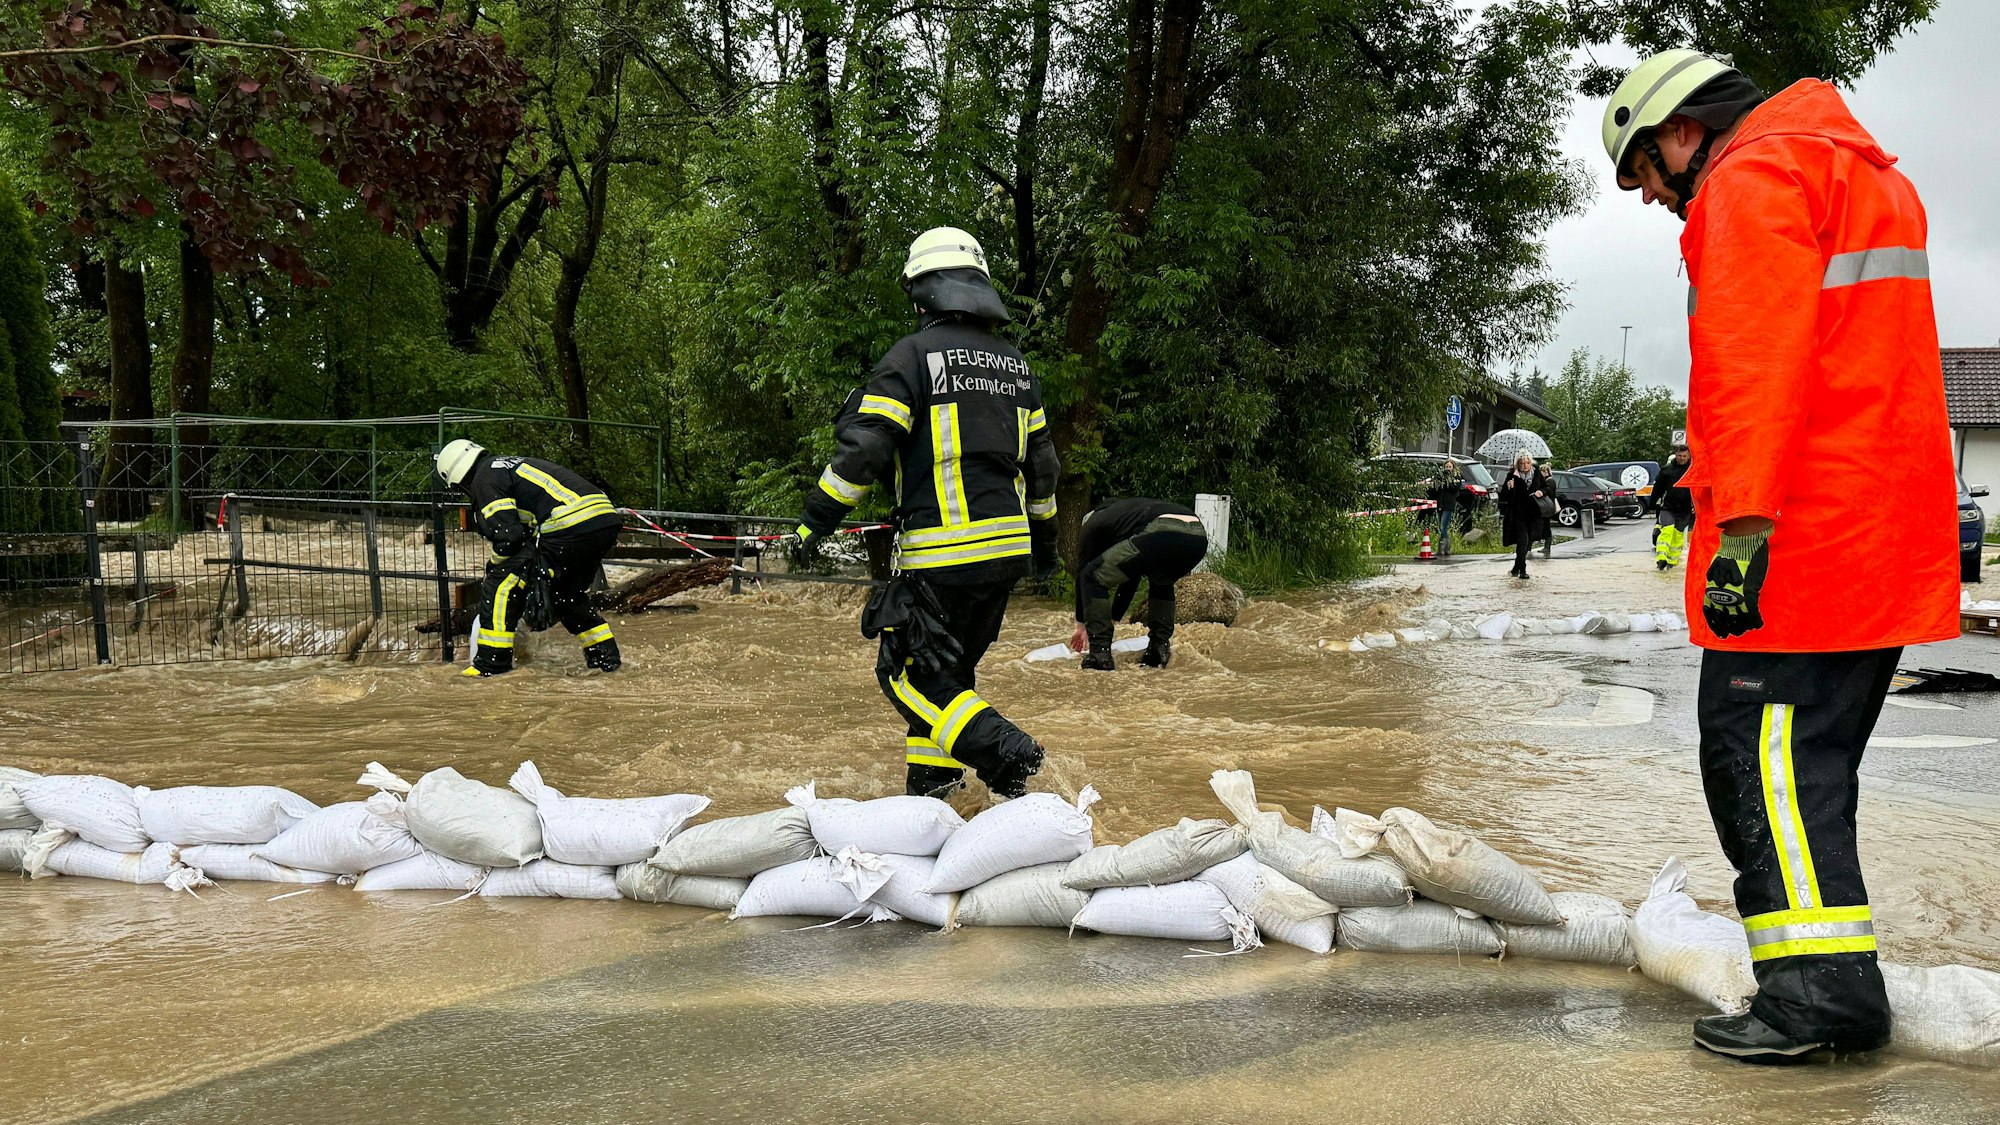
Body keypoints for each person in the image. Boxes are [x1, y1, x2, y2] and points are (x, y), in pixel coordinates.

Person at [1603, 50, 1959, 1062]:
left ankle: (1817, 1002)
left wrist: (1739, 535)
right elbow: (1835, 361)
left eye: (1646, 177)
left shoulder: (1753, 178)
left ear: (1677, 133)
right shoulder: (1860, 175)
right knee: (1806, 777)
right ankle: (1828, 986)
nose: (1654, 201)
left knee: (1758, 769)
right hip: (1875, 536)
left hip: (1800, 548)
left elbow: (1752, 363)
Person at [787, 226, 1059, 800]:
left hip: (944, 555)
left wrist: (814, 521)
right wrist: (1047, 546)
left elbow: (866, 449)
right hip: (1007, 553)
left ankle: (1003, 749)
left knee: (905, 675)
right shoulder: (1016, 368)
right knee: (949, 677)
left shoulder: (910, 357)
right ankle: (932, 796)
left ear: (922, 292)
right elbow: (1044, 468)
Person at [434, 440, 624, 677]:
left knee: (499, 583)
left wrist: (494, 566)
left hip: (568, 523)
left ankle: (491, 666)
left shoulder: (484, 478)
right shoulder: (504, 466)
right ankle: (606, 661)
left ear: (457, 480)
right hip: (603, 520)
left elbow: (508, 536)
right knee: (564, 594)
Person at [1065, 499, 1209, 670]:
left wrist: (1081, 624)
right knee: (1160, 578)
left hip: (1163, 530)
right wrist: (1112, 619)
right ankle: (1158, 648)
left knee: (1092, 576)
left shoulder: (1091, 524)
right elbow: (1130, 574)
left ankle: (1099, 655)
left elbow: (1083, 574)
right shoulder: (1125, 516)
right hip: (1198, 537)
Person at [1497, 452, 1552, 579]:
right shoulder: (1512, 475)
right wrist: (1509, 487)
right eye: (1522, 463)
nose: (1525, 465)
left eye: (1527, 463)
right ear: (1518, 464)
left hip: (1534, 514)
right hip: (1518, 514)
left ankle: (1516, 567)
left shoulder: (1537, 473)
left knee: (1527, 543)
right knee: (1523, 541)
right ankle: (1523, 570)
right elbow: (1504, 496)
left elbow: (1547, 488)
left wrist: (1541, 492)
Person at [1651, 445, 1695, 570]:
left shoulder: (1693, 470)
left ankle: (1671, 562)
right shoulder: (1667, 470)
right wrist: (1653, 503)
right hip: (1668, 507)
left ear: (1689, 456)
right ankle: (1661, 559)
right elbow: (1658, 488)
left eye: (1684, 456)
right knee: (1666, 531)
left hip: (1685, 509)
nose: (1681, 458)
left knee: (1677, 536)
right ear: (1676, 455)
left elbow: (1699, 489)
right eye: (1679, 456)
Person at [1425, 461, 1463, 558]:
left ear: (1453, 467)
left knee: (1443, 526)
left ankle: (1441, 549)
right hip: (1440, 504)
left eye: (1449, 467)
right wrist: (1438, 481)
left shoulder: (1456, 478)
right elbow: (1434, 489)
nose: (1448, 468)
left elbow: (1454, 489)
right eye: (1446, 466)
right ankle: (1446, 549)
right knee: (1441, 526)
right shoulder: (1440, 477)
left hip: (1449, 505)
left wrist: (1446, 482)